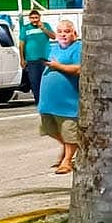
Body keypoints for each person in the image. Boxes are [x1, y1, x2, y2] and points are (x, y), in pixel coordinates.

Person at [38, 20, 82, 174]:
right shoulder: (53, 48)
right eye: (60, 31)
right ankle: (68, 147)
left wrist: (58, 67)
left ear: (74, 34)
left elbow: (79, 69)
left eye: (67, 31)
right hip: (48, 102)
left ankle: (67, 160)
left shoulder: (78, 48)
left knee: (69, 130)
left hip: (67, 102)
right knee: (48, 129)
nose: (63, 34)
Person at [19, 10, 55, 106]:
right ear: (29, 19)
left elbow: (54, 37)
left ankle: (48, 101)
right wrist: (22, 58)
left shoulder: (46, 25)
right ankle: (39, 102)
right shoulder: (25, 28)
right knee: (35, 82)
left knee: (47, 81)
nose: (34, 20)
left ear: (39, 17)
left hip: (45, 59)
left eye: (36, 17)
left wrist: (43, 28)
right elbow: (21, 44)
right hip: (32, 60)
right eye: (32, 18)